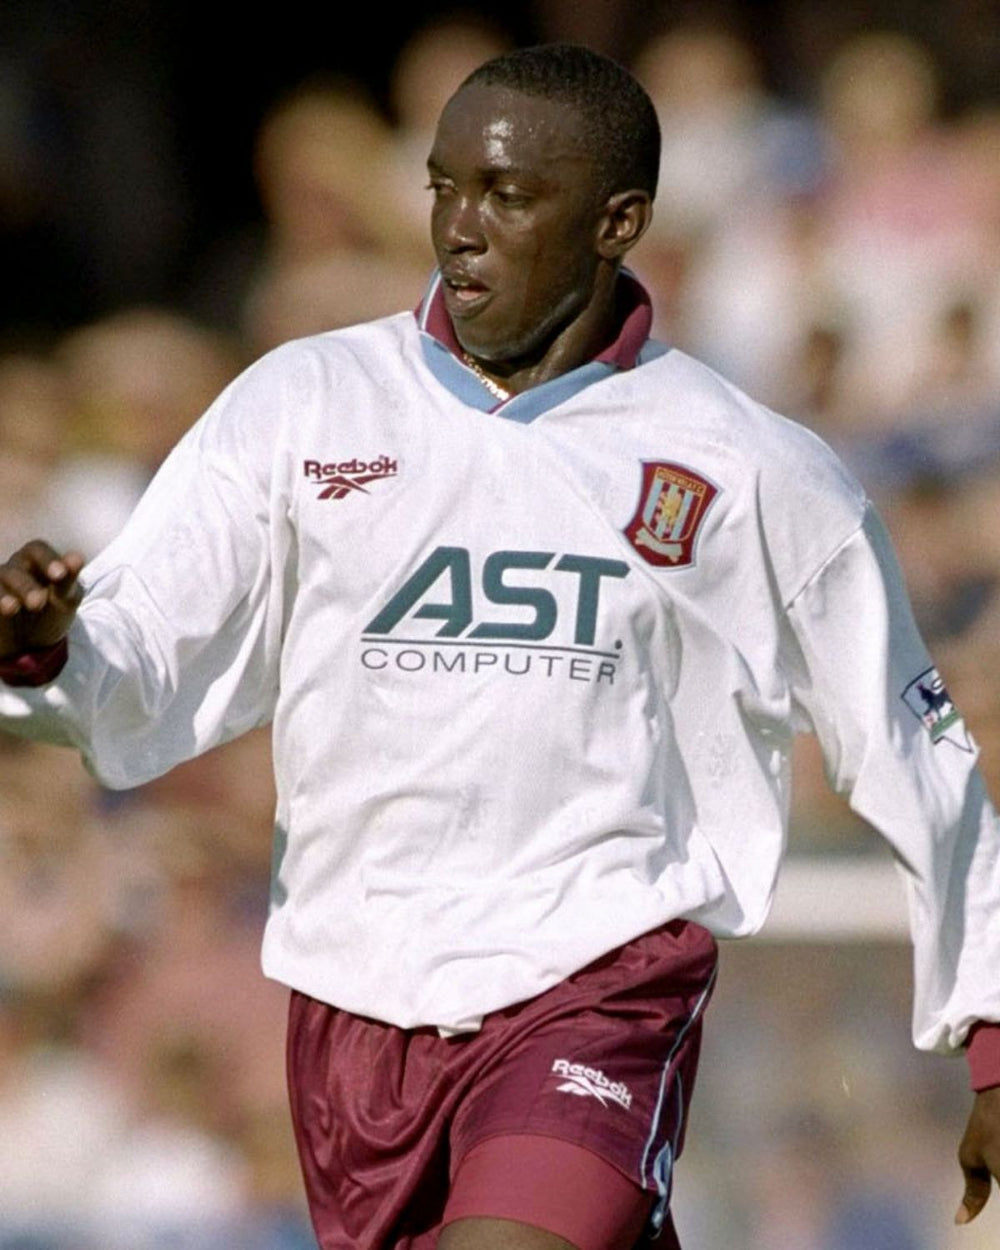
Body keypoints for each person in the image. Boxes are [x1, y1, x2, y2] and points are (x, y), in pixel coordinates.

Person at [0, 42, 998, 1250]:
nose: (460, 228)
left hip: (598, 985)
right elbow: (136, 663)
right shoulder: (303, 405)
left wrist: (990, 1025)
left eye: (509, 196)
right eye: (444, 188)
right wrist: (43, 650)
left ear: (616, 221)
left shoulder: (747, 465)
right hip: (354, 1001)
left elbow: (913, 743)